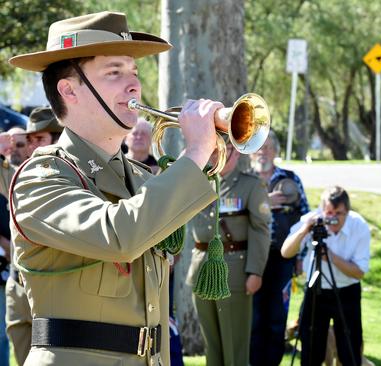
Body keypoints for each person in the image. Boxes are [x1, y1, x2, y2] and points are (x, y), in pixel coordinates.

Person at [8, 11, 221, 366]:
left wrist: (208, 158)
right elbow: (119, 236)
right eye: (114, 73)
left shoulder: (141, 178)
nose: (134, 84)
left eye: (134, 73)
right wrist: (195, 153)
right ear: (69, 90)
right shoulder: (41, 177)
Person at [186, 142, 271, 366]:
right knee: (210, 344)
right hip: (201, 269)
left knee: (234, 345)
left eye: (225, 149)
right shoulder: (197, 182)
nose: (218, 155)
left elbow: (260, 229)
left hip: (233, 270)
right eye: (213, 149)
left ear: (236, 153)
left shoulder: (250, 186)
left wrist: (255, 271)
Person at [0, 107, 63, 366]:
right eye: (30, 140)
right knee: (21, 350)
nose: (32, 147)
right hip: (17, 282)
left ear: (57, 141)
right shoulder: (16, 175)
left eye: (40, 139)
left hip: (45, 285)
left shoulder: (65, 176)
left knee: (47, 357)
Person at [281, 186, 370, 366]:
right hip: (316, 290)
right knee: (311, 351)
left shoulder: (358, 225)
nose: (334, 218)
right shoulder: (313, 220)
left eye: (339, 213)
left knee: (349, 351)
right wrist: (305, 229)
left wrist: (330, 256)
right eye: (329, 212)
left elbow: (359, 272)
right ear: (322, 210)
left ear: (348, 211)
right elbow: (286, 252)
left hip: (347, 292)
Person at [250, 130, 309, 366]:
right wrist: (264, 200)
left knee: (277, 316)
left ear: (275, 151)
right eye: (258, 147)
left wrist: (300, 256)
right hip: (251, 257)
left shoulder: (290, 178)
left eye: (267, 147)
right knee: (253, 316)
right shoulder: (245, 178)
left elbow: (304, 218)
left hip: (282, 258)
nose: (263, 152)